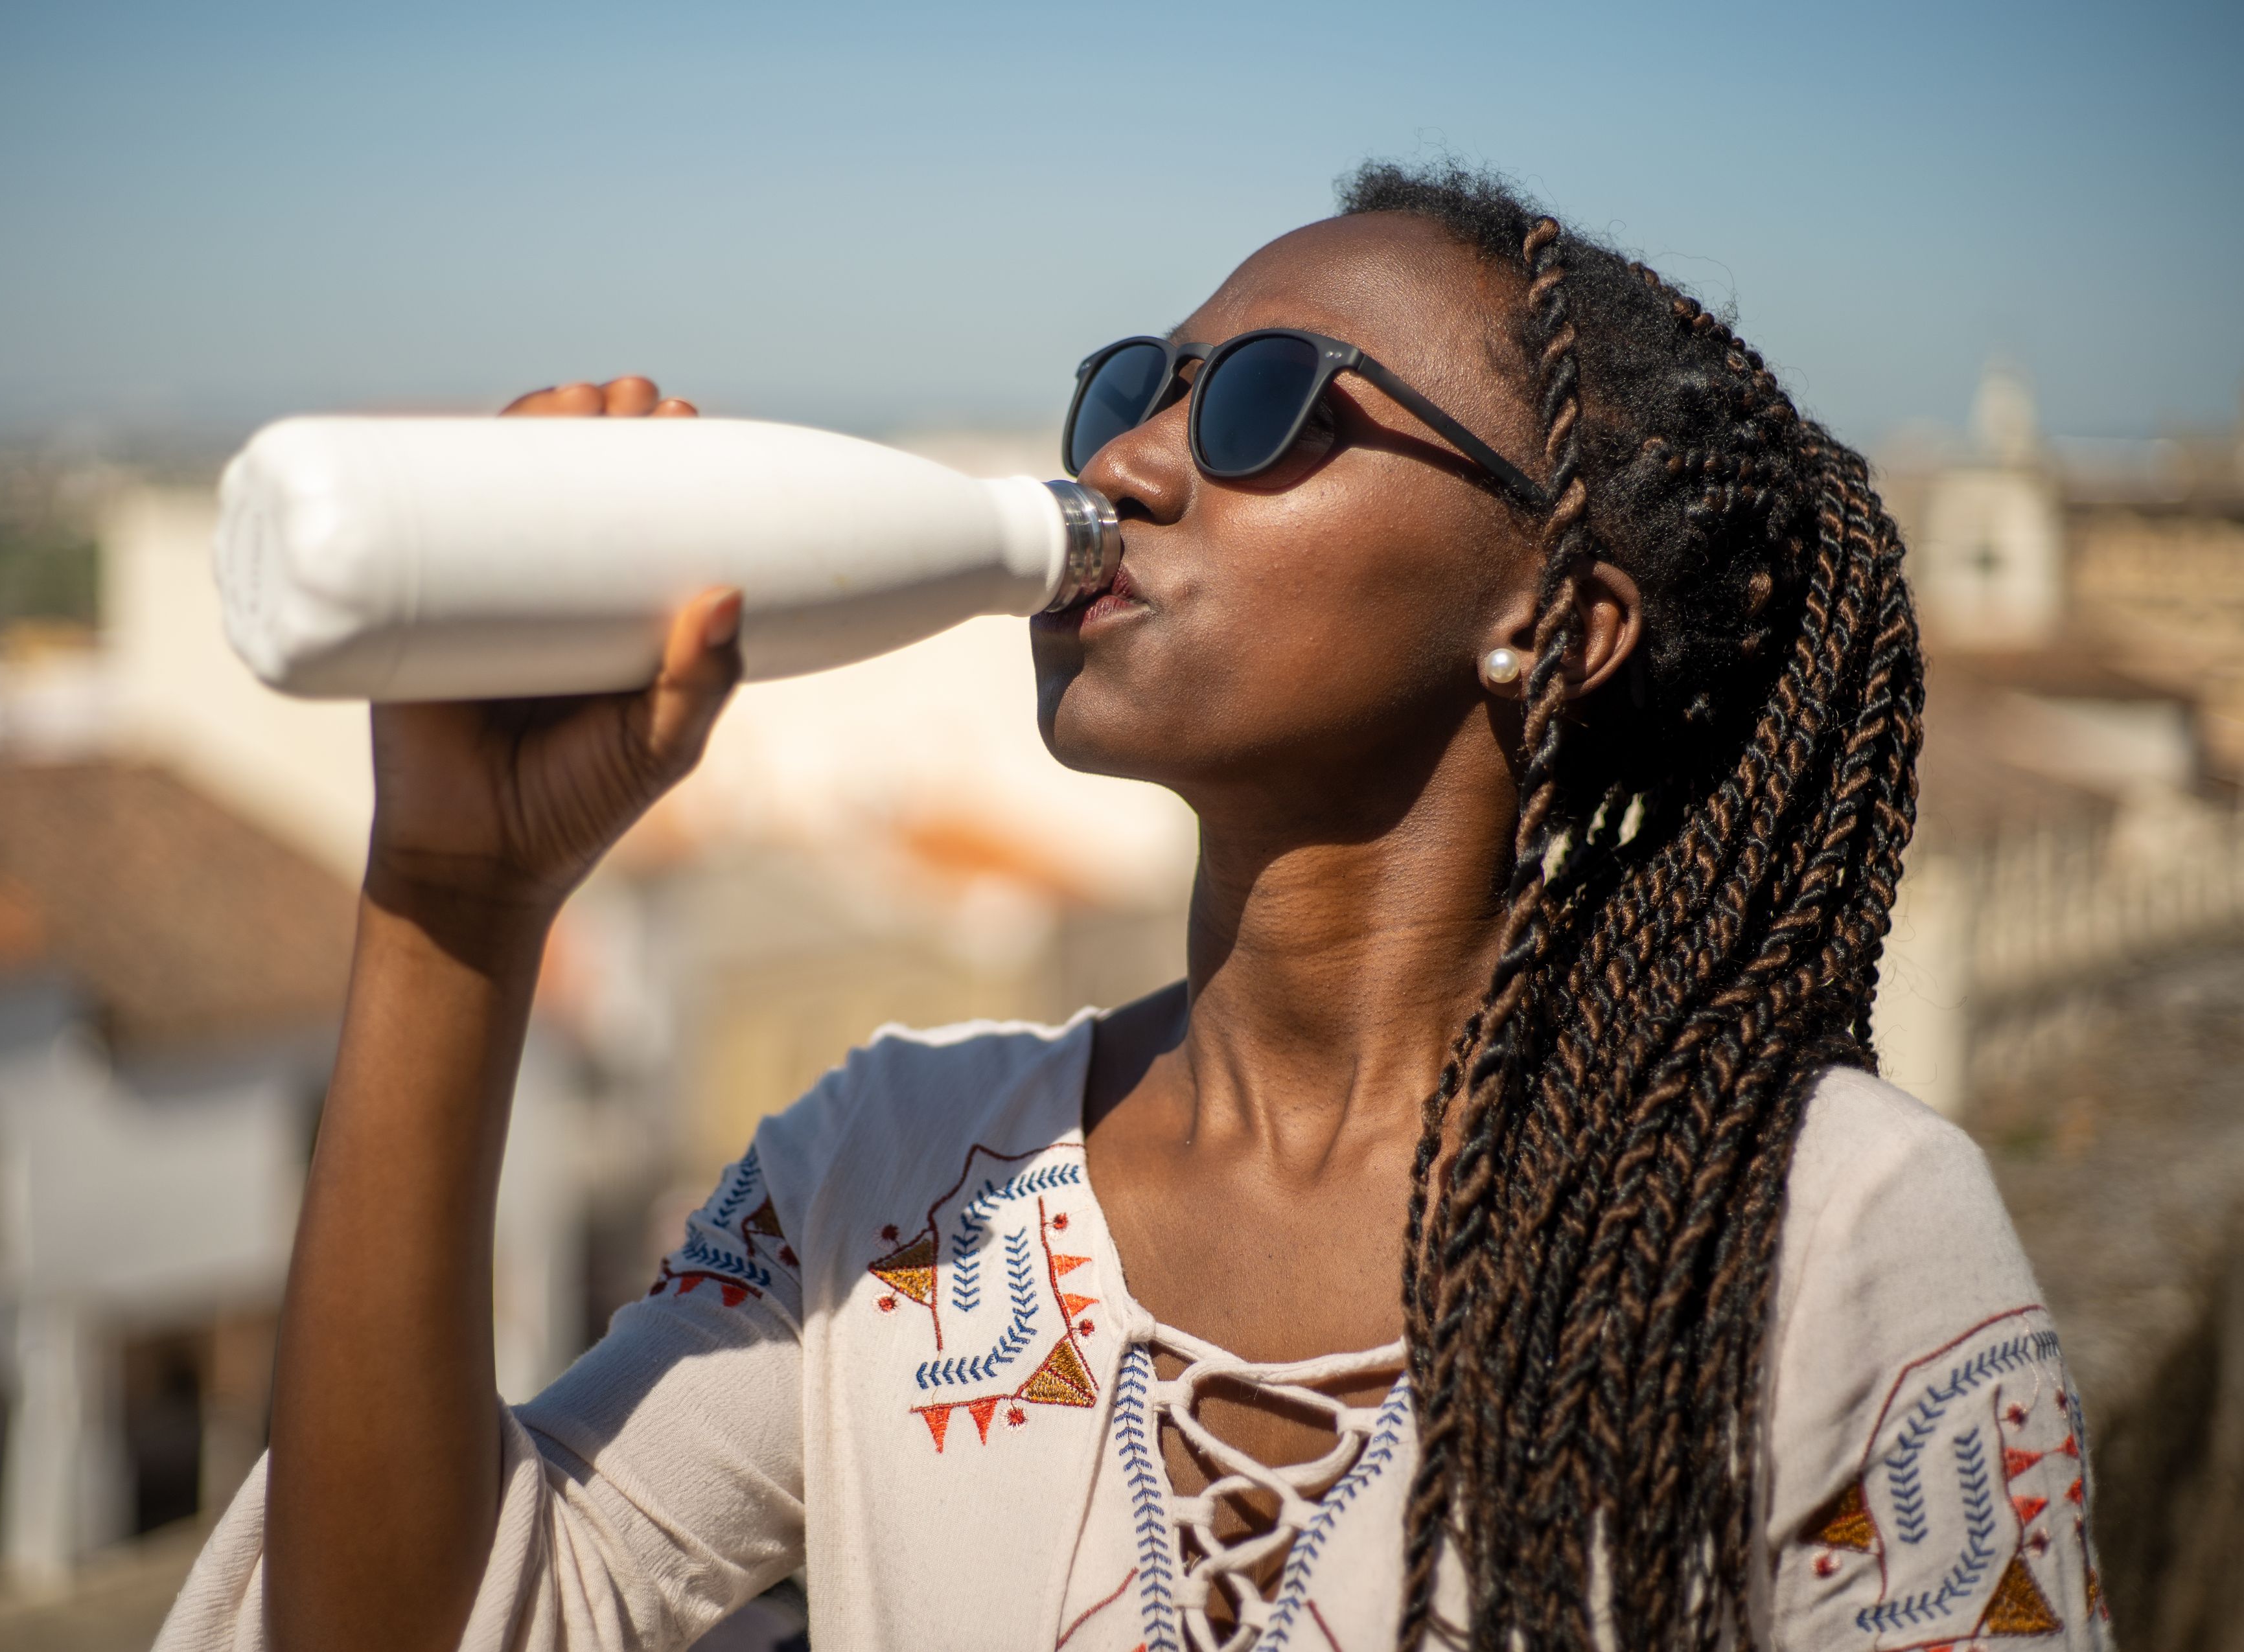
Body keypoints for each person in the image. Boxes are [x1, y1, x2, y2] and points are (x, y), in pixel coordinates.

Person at [157, 163, 2111, 1652]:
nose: (1128, 458)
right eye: (1128, 386)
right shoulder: (900, 1179)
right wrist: (455, 898)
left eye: (1269, 404)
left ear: (1556, 613)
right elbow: (424, 1620)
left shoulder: (1819, 1235)